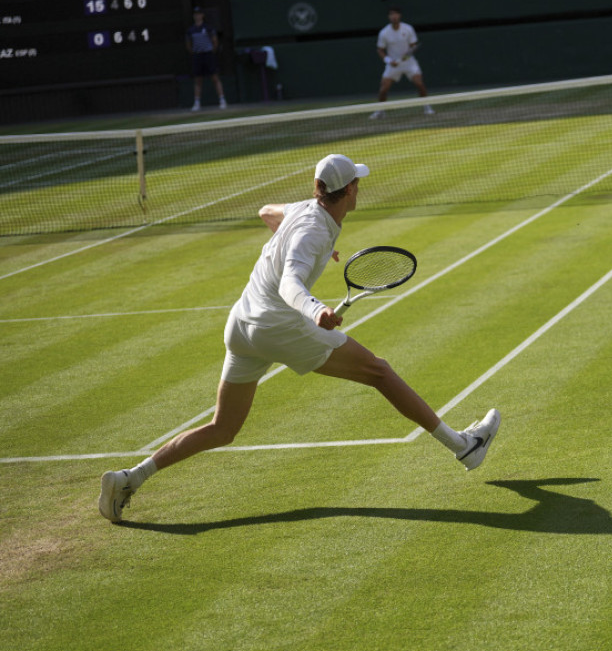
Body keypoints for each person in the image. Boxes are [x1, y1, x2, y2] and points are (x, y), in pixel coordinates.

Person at [98, 154, 502, 522]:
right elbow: (290, 283)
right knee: (379, 372)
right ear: (350, 191)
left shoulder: (304, 213)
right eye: (358, 182)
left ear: (319, 188)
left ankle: (130, 477)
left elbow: (266, 211)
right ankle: (463, 446)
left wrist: (308, 248)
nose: (360, 187)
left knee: (223, 428)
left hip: (242, 325)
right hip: (280, 327)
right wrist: (316, 309)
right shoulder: (311, 231)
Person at [370, 6, 433, 119]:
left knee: (419, 83)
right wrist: (389, 60)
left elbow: (413, 46)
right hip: (392, 64)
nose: (394, 16)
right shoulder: (384, 32)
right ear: (389, 17)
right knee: (384, 88)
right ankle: (380, 111)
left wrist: (407, 56)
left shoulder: (408, 29)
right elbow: (380, 50)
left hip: (409, 63)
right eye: (391, 14)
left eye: (395, 14)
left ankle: (427, 107)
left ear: (399, 15)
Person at [186, 6, 227, 111]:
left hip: (208, 55)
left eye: (199, 14)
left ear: (202, 15)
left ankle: (222, 100)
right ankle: (197, 103)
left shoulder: (208, 28)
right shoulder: (191, 30)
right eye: (195, 14)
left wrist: (211, 51)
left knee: (215, 78)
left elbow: (215, 41)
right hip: (197, 56)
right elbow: (189, 44)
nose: (197, 16)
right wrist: (194, 52)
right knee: (198, 80)